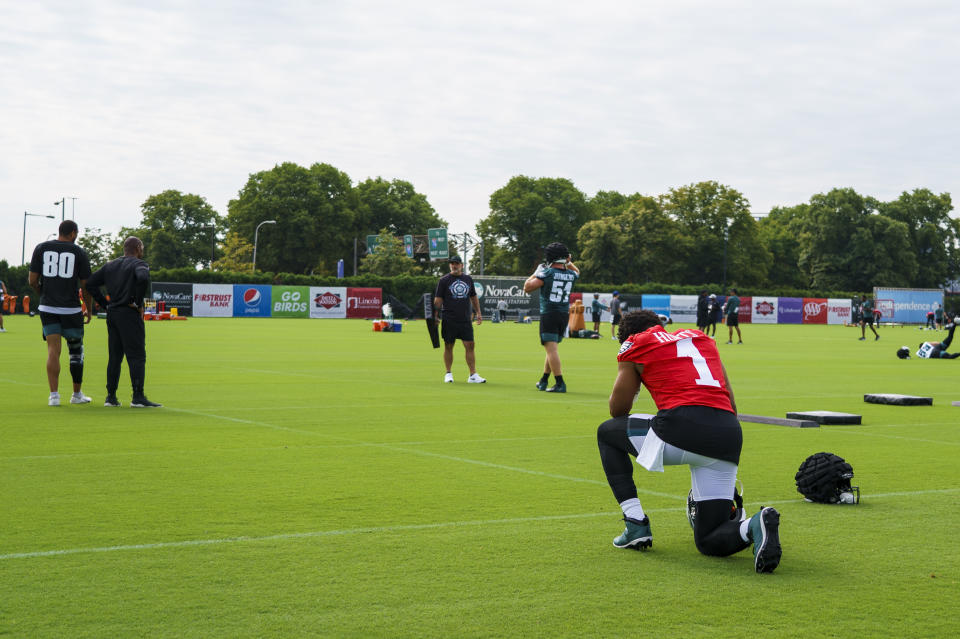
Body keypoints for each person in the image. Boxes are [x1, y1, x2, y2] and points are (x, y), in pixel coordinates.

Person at [596, 309, 781, 573]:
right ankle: (753, 525)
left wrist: (633, 375)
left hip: (681, 427)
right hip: (728, 432)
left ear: (628, 336)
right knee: (709, 539)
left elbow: (618, 411)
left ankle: (634, 523)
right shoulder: (700, 338)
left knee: (606, 433)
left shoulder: (636, 343)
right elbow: (729, 399)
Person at [85, 236, 162, 407]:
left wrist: (105, 304)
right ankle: (138, 397)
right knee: (137, 356)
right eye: (142, 248)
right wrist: (138, 302)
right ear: (138, 248)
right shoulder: (139, 264)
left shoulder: (110, 265)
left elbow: (90, 283)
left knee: (115, 356)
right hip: (129, 313)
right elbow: (142, 278)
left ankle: (111, 397)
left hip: (113, 314)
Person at [28, 220, 94, 406]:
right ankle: (76, 394)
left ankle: (54, 397)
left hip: (48, 308)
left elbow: (32, 280)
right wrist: (88, 308)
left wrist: (43, 294)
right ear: (73, 233)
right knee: (75, 351)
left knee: (53, 351)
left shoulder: (41, 248)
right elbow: (86, 285)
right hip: (71, 309)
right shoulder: (78, 252)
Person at [524, 242, 580, 393]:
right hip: (563, 315)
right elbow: (577, 271)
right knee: (552, 349)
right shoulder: (571, 275)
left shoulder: (547, 274)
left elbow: (527, 287)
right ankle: (543, 380)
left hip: (549, 313)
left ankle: (560, 382)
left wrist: (536, 272)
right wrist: (569, 261)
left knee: (551, 350)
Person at [433, 255, 485, 384]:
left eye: (456, 263)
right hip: (449, 318)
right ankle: (448, 373)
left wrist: (478, 312)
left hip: (465, 319)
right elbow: (438, 299)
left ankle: (473, 375)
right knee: (449, 346)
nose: (454, 266)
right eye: (452, 263)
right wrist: (434, 315)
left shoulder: (467, 279)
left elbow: (473, 297)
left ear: (461, 265)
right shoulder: (444, 280)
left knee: (470, 345)